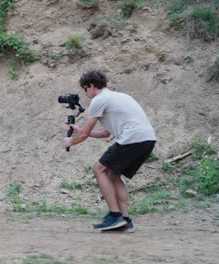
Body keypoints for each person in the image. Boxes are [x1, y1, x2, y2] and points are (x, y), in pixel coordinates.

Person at [63, 70, 156, 231]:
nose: (86, 93)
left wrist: (71, 140)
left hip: (132, 138)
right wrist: (79, 131)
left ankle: (114, 216)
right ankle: (125, 219)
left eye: (85, 89)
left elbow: (85, 135)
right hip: (147, 139)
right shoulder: (118, 97)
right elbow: (105, 133)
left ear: (91, 86)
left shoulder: (99, 100)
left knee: (99, 169)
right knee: (112, 174)